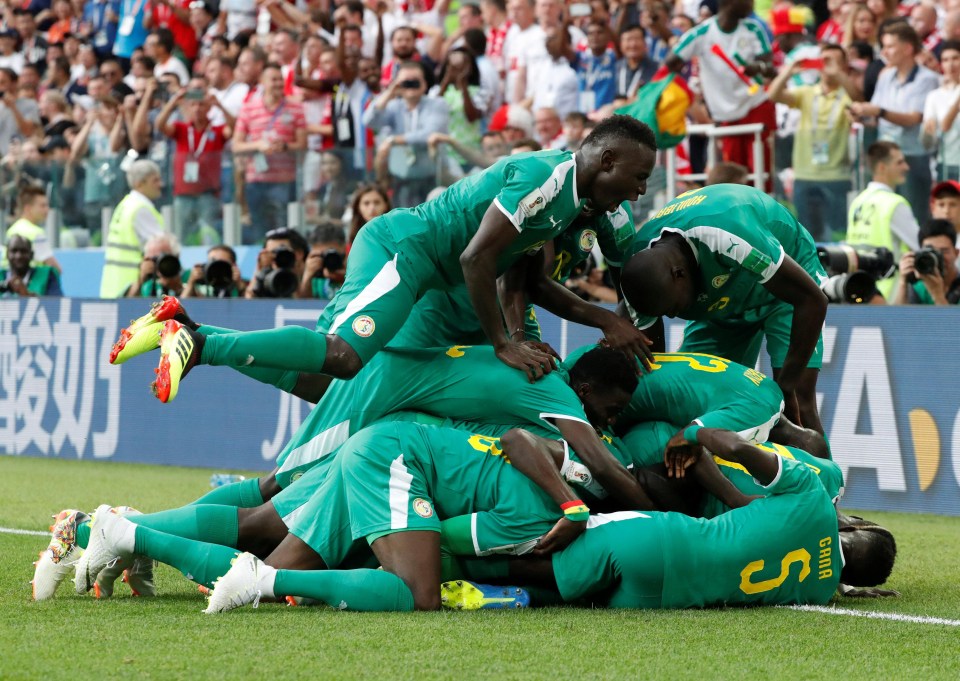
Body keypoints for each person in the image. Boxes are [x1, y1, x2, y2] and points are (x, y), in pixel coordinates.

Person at [125, 115, 657, 403]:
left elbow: (520, 275)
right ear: (606, 159)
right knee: (344, 358)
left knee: (323, 385)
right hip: (405, 249)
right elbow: (476, 260)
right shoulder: (547, 179)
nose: (638, 192)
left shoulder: (572, 202)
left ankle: (183, 324)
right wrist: (502, 343)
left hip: (425, 269)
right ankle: (201, 344)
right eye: (637, 177)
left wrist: (533, 333)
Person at [445, 427, 897, 610]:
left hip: (658, 541)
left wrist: (695, 433)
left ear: (855, 527)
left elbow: (739, 449)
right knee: (560, 590)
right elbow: (828, 569)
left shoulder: (815, 498)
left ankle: (443, 559)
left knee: (545, 551)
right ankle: (498, 595)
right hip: (659, 599)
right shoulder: (822, 592)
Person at [618, 184, 829, 434]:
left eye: (673, 308)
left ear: (679, 274)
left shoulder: (727, 233)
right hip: (720, 303)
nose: (674, 316)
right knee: (696, 403)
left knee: (797, 406)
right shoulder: (638, 274)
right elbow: (657, 373)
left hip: (784, 291)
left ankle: (824, 473)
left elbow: (813, 301)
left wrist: (785, 388)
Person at [666, 0, 776, 190]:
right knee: (734, 179)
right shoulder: (701, 33)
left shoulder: (753, 29)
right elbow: (670, 62)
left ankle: (763, 215)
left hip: (755, 106)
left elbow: (771, 69)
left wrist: (757, 67)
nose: (752, 4)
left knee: (761, 174)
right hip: (726, 115)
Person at [848, 22, 940, 225]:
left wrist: (877, 112)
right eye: (883, 46)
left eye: (890, 46)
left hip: (913, 158)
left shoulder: (927, 79)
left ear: (907, 48)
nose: (885, 52)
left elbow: (914, 118)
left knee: (914, 216)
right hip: (886, 156)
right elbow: (876, 116)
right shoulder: (885, 76)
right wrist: (861, 116)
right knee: (885, 215)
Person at [768, 44, 856, 242]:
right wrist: (789, 70)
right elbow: (773, 95)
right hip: (804, 173)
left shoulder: (846, 94)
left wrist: (840, 76)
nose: (827, 66)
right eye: (824, 60)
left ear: (843, 66)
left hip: (836, 175)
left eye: (833, 61)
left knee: (839, 234)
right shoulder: (807, 92)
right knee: (806, 236)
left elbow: (859, 98)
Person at [232, 62, 307, 241]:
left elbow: (303, 145)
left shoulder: (295, 108)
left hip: (284, 180)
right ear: (262, 82)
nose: (278, 84)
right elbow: (236, 145)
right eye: (273, 79)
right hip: (255, 181)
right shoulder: (248, 108)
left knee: (284, 227)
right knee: (259, 227)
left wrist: (286, 146)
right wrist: (257, 145)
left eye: (280, 79)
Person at [364, 61, 450, 207]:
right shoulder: (394, 106)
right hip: (400, 181)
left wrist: (393, 140)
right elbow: (369, 121)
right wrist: (391, 91)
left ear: (424, 82)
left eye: (415, 81)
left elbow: (429, 134)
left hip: (431, 177)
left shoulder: (437, 104)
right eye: (406, 82)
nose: (410, 85)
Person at [155, 85, 232, 246]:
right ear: (188, 108)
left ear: (209, 108)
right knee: (181, 235)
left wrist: (220, 105)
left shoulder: (216, 130)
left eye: (201, 104)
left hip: (208, 193)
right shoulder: (181, 129)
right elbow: (160, 125)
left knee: (209, 233)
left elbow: (233, 128)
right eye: (193, 105)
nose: (197, 109)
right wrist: (174, 101)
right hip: (183, 193)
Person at [846, 141, 920, 298]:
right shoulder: (895, 204)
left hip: (858, 289)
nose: (906, 167)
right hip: (889, 293)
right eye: (899, 162)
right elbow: (919, 246)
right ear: (881, 167)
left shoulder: (858, 201)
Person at [99, 160, 167, 298]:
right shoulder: (141, 209)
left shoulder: (125, 204)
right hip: (132, 288)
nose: (161, 184)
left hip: (113, 286)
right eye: (155, 180)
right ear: (139, 183)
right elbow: (161, 249)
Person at [892, 219, 960, 306]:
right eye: (931, 251)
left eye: (943, 251)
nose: (938, 257)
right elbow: (898, 318)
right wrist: (902, 283)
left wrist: (937, 295)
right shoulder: (918, 286)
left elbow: (951, 320)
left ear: (956, 253)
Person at [921, 40, 960, 182]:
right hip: (946, 163)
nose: (951, 64)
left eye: (956, 58)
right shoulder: (935, 96)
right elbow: (937, 131)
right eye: (945, 60)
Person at [3, 186, 60, 272]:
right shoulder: (36, 233)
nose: (47, 209)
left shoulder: (11, 230)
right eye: (42, 206)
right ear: (28, 208)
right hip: (32, 283)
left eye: (47, 205)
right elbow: (54, 267)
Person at [298, 223, 347, 301]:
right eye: (323, 256)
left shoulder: (355, 269)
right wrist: (307, 276)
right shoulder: (311, 274)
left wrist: (346, 280)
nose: (329, 260)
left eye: (333, 255)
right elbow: (301, 306)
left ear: (344, 248)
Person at [130, 232, 185, 298]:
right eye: (154, 260)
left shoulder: (187, 277)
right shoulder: (146, 283)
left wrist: (179, 288)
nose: (159, 264)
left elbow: (199, 303)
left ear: (176, 257)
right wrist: (141, 280)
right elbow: (124, 304)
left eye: (164, 259)